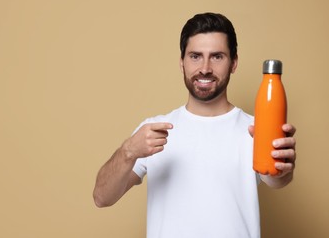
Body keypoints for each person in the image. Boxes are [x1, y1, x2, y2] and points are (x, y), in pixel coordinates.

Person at [93, 12, 296, 238]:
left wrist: (283, 164)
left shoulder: (255, 129)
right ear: (182, 62)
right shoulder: (153, 130)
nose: (205, 68)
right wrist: (128, 151)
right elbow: (102, 197)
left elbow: (278, 180)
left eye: (217, 56)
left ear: (234, 63)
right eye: (195, 56)